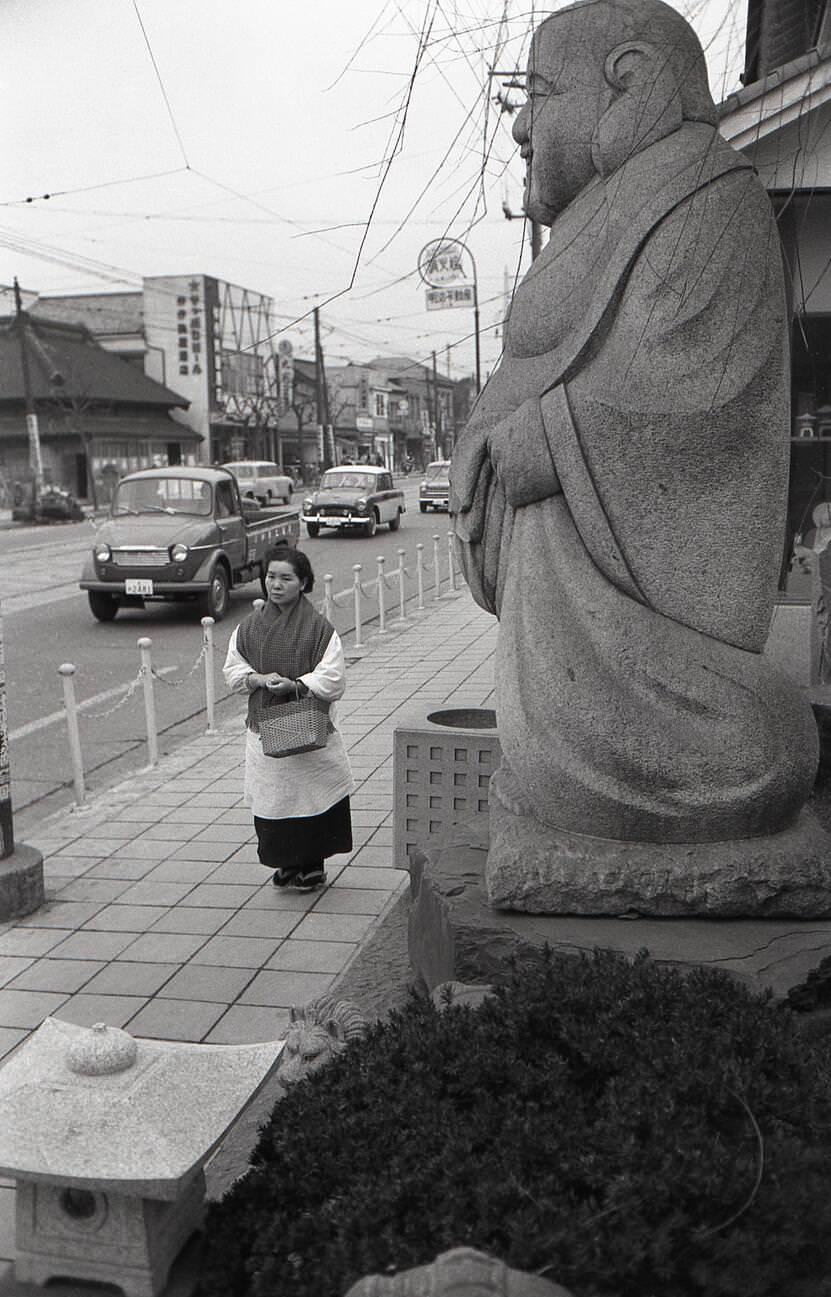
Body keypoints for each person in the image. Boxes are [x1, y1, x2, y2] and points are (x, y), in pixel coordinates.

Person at [450, 0, 817, 852]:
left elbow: (693, 392)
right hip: (556, 583)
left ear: (630, 81)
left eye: (536, 93)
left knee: (755, 753)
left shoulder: (705, 199)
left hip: (619, 602)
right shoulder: (609, 207)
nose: (519, 129)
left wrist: (535, 443)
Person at [223, 544, 353, 888]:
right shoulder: (248, 628)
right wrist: (257, 679)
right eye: (270, 576)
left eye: (285, 578)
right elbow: (234, 671)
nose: (275, 584)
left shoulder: (319, 629)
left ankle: (313, 863)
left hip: (309, 729)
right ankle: (286, 862)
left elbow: (334, 678)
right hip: (265, 730)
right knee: (274, 798)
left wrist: (296, 684)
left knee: (312, 795)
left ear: (303, 582)